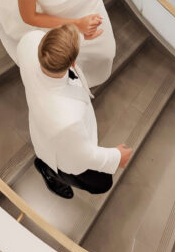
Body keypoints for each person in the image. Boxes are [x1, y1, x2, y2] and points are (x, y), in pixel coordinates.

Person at [18, 23, 132, 199]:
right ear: (73, 62)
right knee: (102, 184)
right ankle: (50, 172)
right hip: (61, 148)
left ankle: (45, 164)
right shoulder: (69, 120)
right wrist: (116, 156)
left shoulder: (30, 42)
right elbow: (82, 155)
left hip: (42, 121)